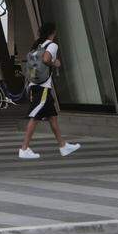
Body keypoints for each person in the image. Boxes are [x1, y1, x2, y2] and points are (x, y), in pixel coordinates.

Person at [19, 22, 80, 160]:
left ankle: (63, 146)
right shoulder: (52, 45)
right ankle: (24, 148)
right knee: (35, 117)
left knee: (52, 117)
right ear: (53, 32)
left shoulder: (37, 45)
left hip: (35, 84)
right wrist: (55, 63)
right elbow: (46, 59)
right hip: (42, 88)